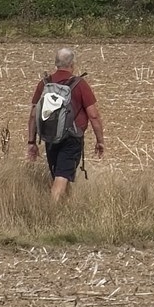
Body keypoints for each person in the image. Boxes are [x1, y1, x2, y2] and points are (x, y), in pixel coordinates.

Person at [27, 46, 103, 202]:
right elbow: (93, 116)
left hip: (50, 136)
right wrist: (100, 140)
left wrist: (31, 142)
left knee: (59, 176)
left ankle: (65, 213)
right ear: (72, 64)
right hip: (71, 138)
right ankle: (50, 214)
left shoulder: (44, 84)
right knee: (62, 177)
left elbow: (34, 114)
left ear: (56, 64)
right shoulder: (79, 84)